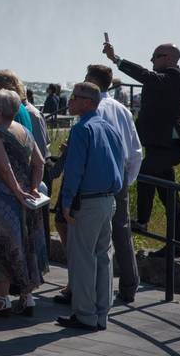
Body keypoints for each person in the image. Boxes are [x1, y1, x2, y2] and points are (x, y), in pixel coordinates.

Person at [105, 41, 180, 258]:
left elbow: (148, 77)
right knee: (168, 195)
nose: (151, 60)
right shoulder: (166, 78)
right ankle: (179, 242)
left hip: (168, 147)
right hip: (159, 146)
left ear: (169, 58)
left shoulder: (177, 76)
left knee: (144, 174)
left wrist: (117, 60)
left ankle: (142, 221)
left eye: (155, 56)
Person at [57, 82, 124, 331]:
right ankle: (101, 313)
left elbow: (74, 171)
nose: (70, 101)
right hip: (108, 199)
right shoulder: (109, 128)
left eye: (74, 97)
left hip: (87, 201)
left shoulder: (82, 129)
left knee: (83, 259)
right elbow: (121, 163)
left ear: (87, 101)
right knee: (103, 257)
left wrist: (66, 203)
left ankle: (84, 314)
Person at [0, 89, 48, 317]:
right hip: (27, 201)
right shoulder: (25, 132)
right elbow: (40, 163)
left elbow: (3, 167)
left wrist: (18, 192)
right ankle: (27, 297)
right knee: (26, 245)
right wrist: (32, 188)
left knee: (2, 247)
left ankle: (2, 300)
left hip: (2, 199)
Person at [85, 64, 142, 302]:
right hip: (119, 177)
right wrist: (126, 181)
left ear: (91, 81)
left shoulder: (94, 108)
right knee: (122, 233)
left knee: (93, 238)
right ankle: (129, 286)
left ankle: (94, 292)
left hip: (96, 178)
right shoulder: (123, 110)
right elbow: (137, 152)